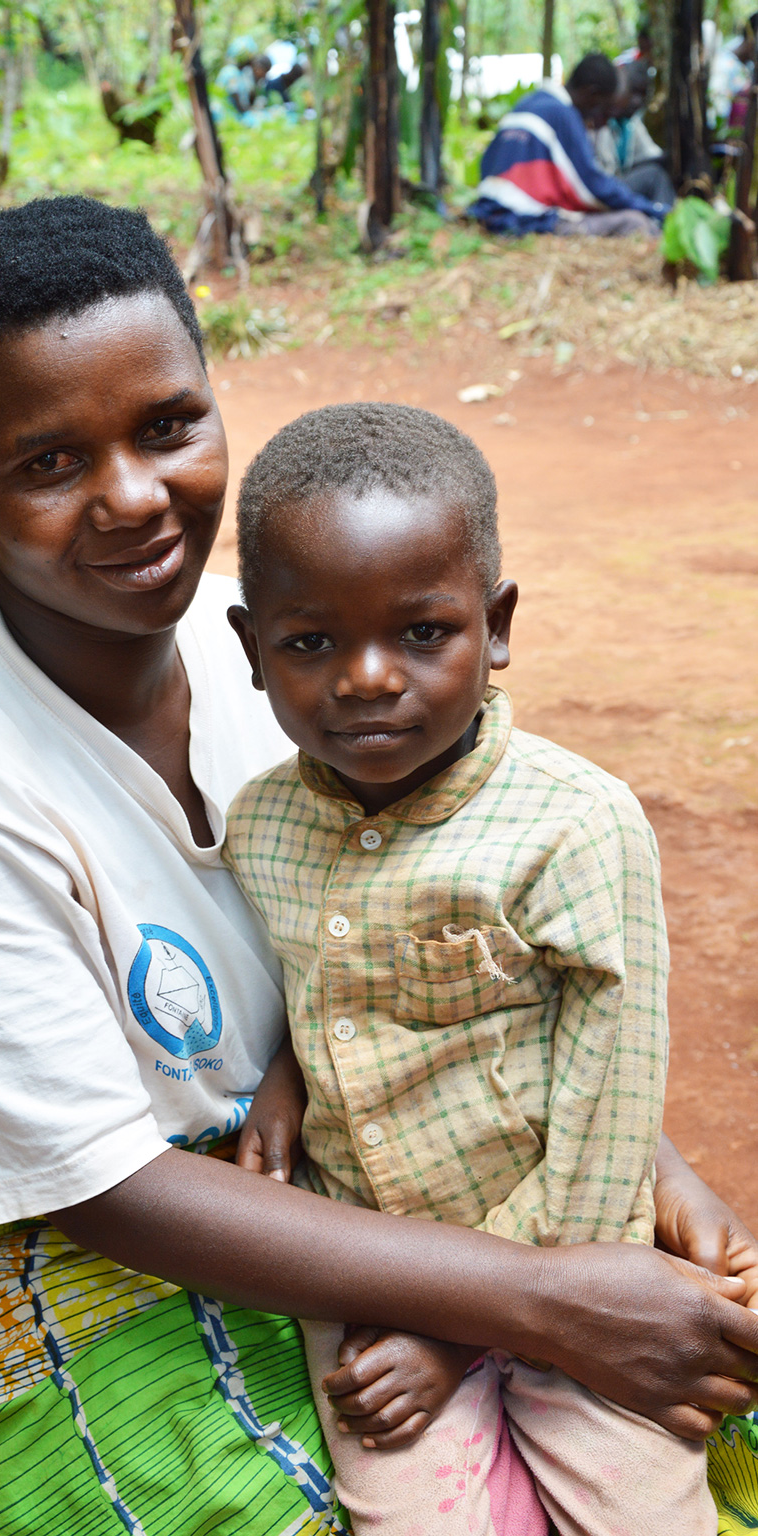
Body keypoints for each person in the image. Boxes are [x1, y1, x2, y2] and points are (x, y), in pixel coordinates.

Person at [0, 195, 758, 1535]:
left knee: (708, 1422)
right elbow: (101, 1184)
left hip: (337, 1161)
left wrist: (647, 1182)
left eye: (168, 426)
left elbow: (431, 957)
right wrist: (539, 1297)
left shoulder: (295, 672)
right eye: (51, 460)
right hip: (50, 1257)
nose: (134, 495)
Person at [222, 401, 752, 1534]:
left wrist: (463, 1326)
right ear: (249, 649)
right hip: (374, 1287)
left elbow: (609, 1115)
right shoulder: (262, 826)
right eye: (310, 642)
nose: (367, 679)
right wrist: (285, 1072)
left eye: (422, 633)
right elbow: (319, 978)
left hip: (580, 1273)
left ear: (496, 624)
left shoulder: (575, 827)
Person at [469, 53, 671, 236]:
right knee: (634, 222)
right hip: (523, 220)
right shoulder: (565, 115)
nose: (599, 120)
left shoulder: (529, 101)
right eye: (603, 110)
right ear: (592, 95)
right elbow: (592, 186)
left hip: (489, 208)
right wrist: (655, 210)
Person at [591, 61, 676, 206]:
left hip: (617, 185)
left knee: (656, 173)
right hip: (601, 189)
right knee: (654, 176)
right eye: (633, 92)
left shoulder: (630, 124)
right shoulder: (600, 122)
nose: (638, 102)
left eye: (643, 95)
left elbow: (651, 154)